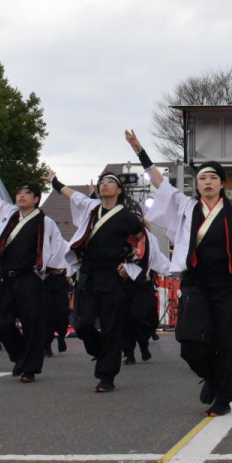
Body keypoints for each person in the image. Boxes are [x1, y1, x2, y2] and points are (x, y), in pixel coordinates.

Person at [129, 129, 232, 415]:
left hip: (227, 285)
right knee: (188, 341)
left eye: (213, 178)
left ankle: (223, 397)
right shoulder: (186, 207)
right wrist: (140, 152)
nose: (207, 182)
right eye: (203, 178)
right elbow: (158, 182)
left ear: (222, 184)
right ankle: (212, 377)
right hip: (195, 283)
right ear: (197, 185)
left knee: (226, 341)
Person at [53, 168, 147, 393]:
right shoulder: (92, 209)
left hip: (112, 276)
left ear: (119, 190)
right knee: (83, 324)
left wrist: (130, 267)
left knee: (110, 327)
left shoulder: (127, 217)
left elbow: (142, 243)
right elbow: (73, 195)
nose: (104, 184)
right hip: (88, 274)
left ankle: (106, 376)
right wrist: (55, 182)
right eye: (102, 182)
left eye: (110, 182)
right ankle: (102, 352)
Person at [0, 167, 67, 382]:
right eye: (19, 193)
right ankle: (21, 356)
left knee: (32, 323)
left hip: (30, 278)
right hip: (6, 277)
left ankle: (29, 368)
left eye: (26, 193)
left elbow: (57, 248)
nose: (21, 196)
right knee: (1, 321)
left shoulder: (45, 222)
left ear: (36, 198)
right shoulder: (9, 215)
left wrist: (53, 273)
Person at [120, 213, 171, 365]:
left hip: (143, 283)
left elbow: (155, 261)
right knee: (124, 319)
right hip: (122, 284)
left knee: (139, 316)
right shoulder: (118, 236)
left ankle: (143, 343)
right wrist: (121, 268)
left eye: (136, 216)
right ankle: (128, 353)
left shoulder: (149, 238)